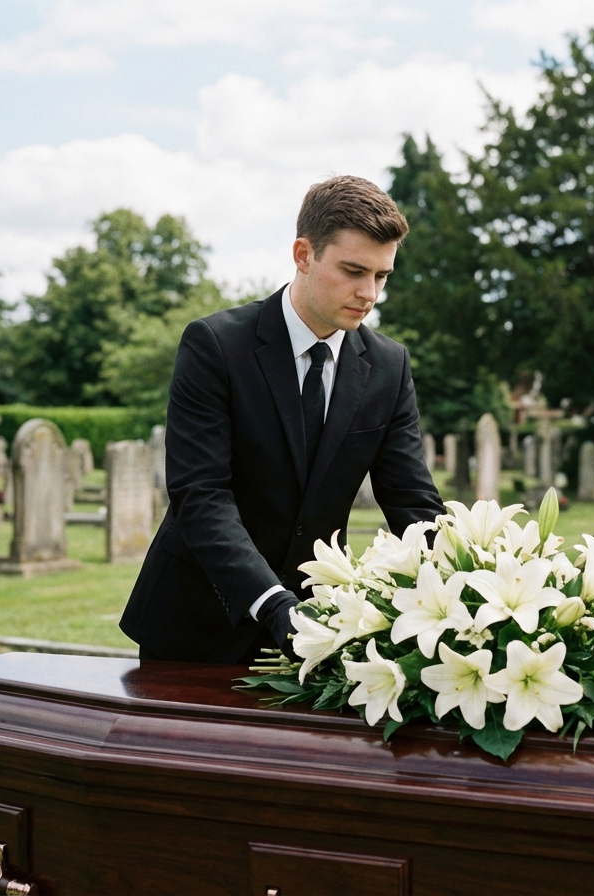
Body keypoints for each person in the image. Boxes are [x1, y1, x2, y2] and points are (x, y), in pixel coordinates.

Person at [120, 175, 444, 663]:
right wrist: (273, 605)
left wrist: (475, 588)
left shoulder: (389, 366)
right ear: (303, 254)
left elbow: (412, 500)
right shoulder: (215, 345)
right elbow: (201, 494)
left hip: (319, 630)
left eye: (381, 276)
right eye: (353, 270)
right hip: (196, 621)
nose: (369, 293)